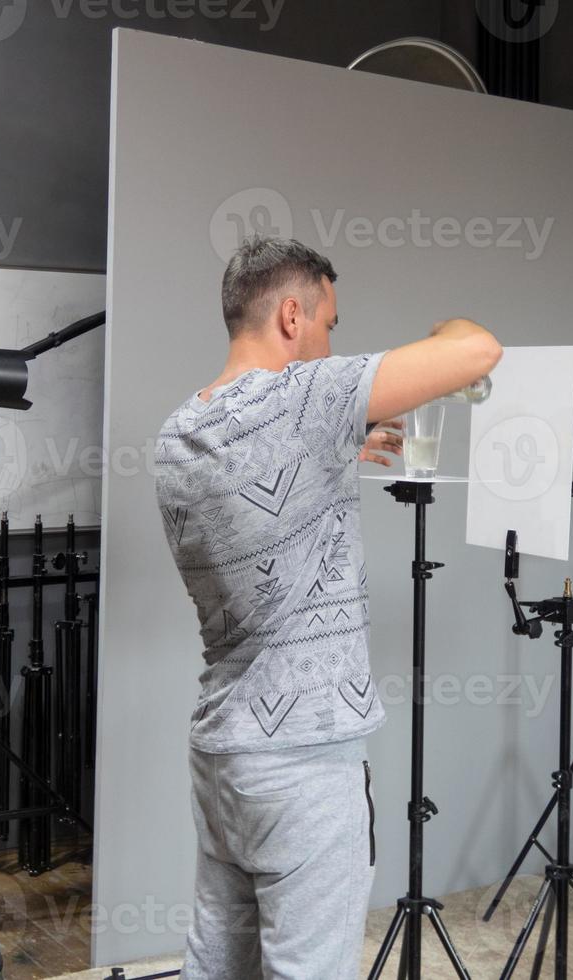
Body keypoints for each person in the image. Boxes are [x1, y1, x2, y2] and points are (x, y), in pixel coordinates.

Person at [154, 235, 502, 978]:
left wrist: (330, 451)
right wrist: (446, 323)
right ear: (290, 315)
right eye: (329, 323)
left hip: (225, 755)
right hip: (305, 765)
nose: (329, 339)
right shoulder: (303, 399)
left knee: (217, 966)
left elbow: (254, 511)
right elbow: (476, 350)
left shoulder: (181, 431)